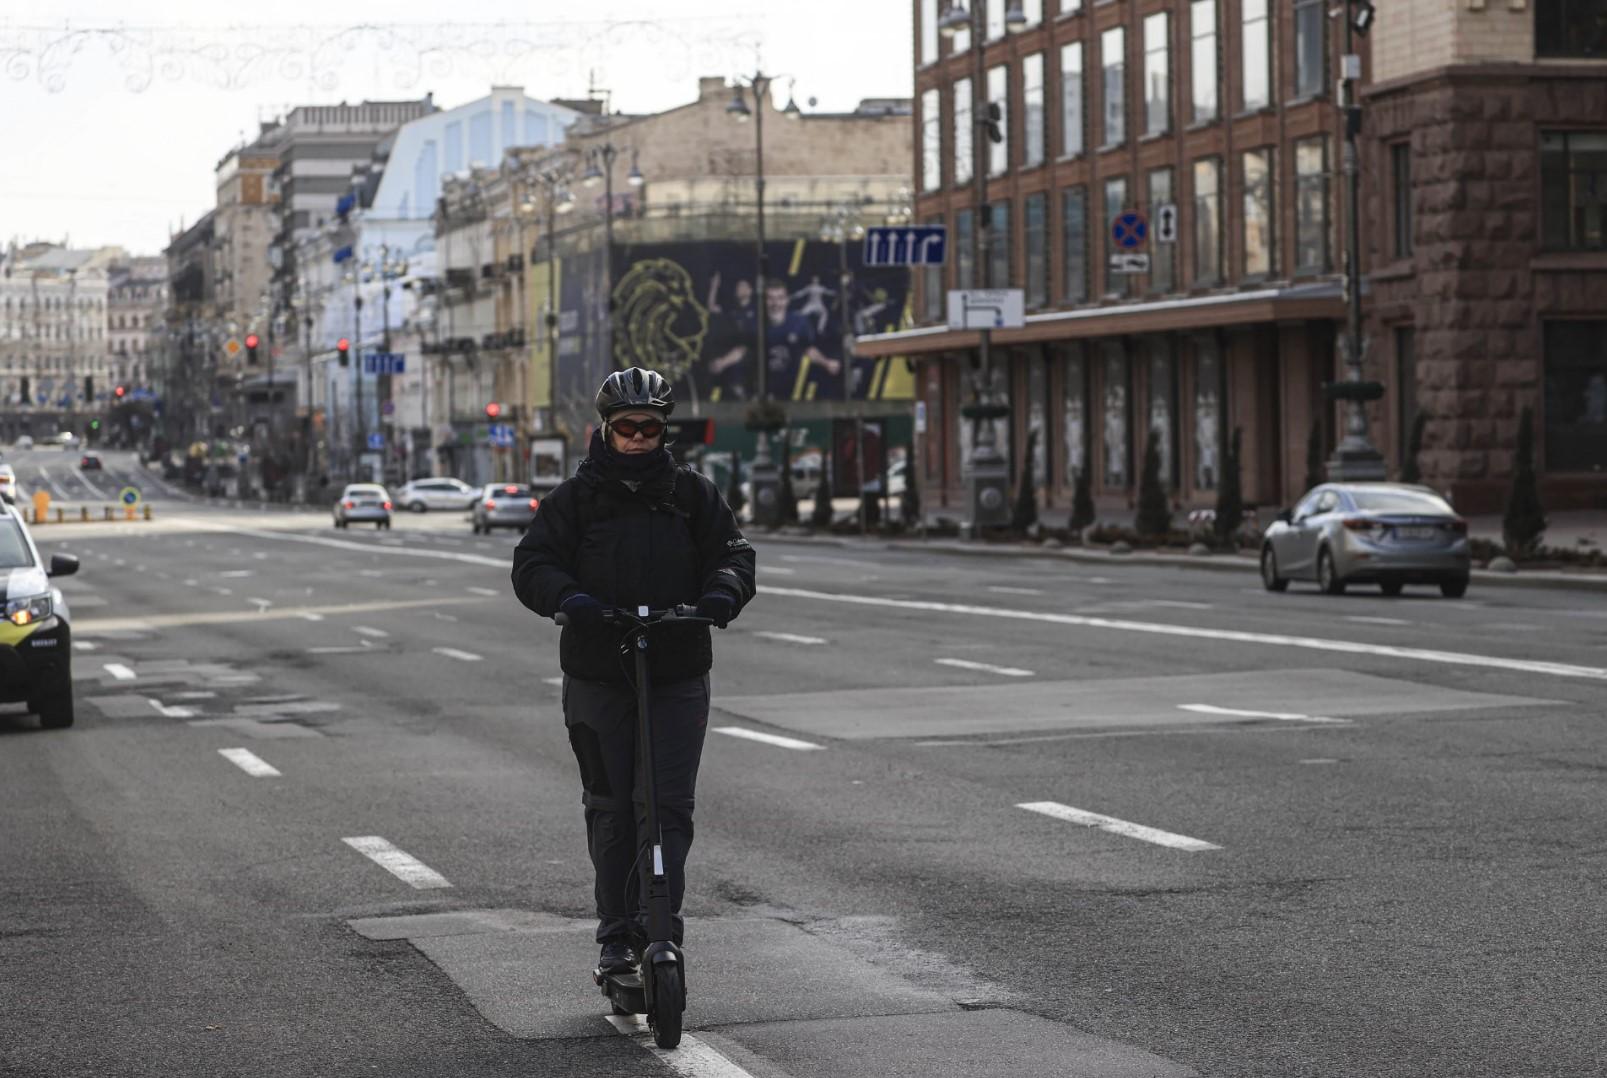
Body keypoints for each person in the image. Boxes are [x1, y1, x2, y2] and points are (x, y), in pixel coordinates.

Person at [511, 367, 756, 977]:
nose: (640, 438)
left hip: (676, 672)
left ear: (662, 430)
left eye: (650, 427)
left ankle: (660, 930)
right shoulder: (575, 499)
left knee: (666, 807)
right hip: (599, 675)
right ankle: (617, 936)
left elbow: (734, 554)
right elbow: (532, 563)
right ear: (608, 430)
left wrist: (723, 592)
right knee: (612, 807)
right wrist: (571, 600)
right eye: (628, 428)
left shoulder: (692, 494)